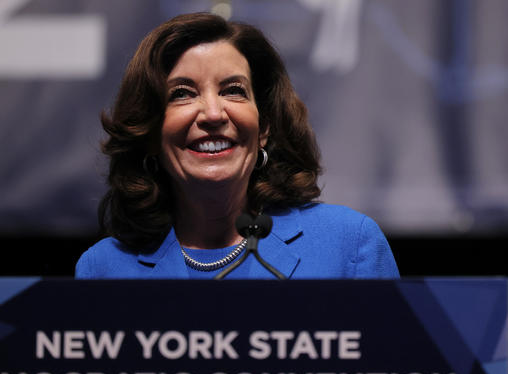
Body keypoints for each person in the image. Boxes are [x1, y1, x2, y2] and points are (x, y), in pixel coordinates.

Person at [76, 12, 399, 279]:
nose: (214, 114)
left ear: (264, 128)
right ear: (148, 134)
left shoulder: (349, 247)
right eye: (182, 94)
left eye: (233, 90)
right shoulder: (103, 270)